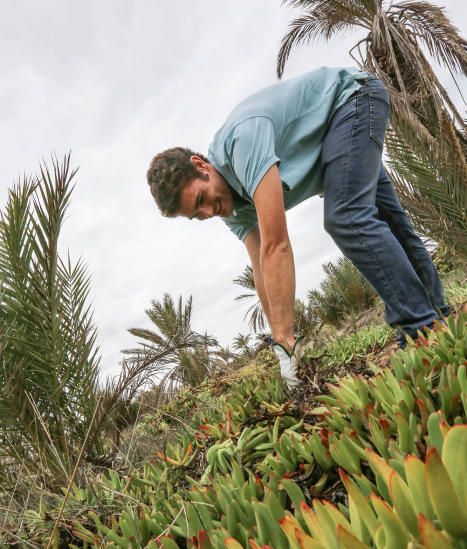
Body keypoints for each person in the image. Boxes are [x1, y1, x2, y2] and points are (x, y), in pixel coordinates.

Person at [146, 66, 450, 388]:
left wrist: (286, 338)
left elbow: (276, 245)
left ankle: (420, 332)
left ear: (201, 166)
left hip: (352, 102)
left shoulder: (241, 144)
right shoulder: (230, 206)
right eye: (197, 215)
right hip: (339, 136)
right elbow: (262, 266)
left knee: (346, 216)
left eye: (201, 200)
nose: (209, 211)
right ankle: (438, 319)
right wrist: (279, 344)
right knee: (390, 224)